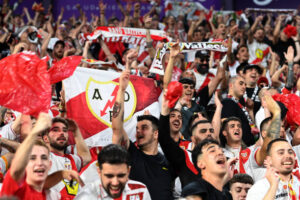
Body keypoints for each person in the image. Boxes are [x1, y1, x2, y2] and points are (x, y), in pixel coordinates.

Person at [111, 60, 176, 200]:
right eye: (137, 128)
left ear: (156, 133)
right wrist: (121, 90)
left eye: (144, 128)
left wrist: (171, 58)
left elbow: (167, 90)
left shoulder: (168, 160)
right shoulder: (132, 154)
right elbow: (117, 126)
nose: (138, 131)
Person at [0, 113, 82, 199]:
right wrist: (34, 131)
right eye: (32, 158)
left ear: (50, 165)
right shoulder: (15, 185)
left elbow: (44, 184)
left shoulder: (52, 195)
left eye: (44, 158)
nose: (39, 162)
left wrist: (62, 174)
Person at [76, 144, 151, 200]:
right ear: (99, 172)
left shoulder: (140, 190)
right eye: (109, 176)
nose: (115, 183)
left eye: (121, 175)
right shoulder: (86, 196)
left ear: (128, 171)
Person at [42, 117, 91, 199]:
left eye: (65, 130)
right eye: (55, 130)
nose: (62, 133)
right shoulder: (41, 157)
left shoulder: (71, 159)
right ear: (45, 138)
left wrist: (76, 131)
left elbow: (86, 157)